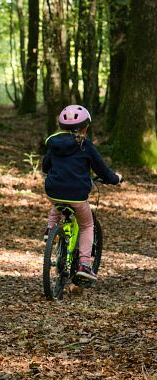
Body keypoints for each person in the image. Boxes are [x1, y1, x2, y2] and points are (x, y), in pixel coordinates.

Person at [42, 105, 122, 282]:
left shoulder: (53, 144)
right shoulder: (85, 145)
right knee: (87, 225)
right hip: (77, 195)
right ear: (86, 127)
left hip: (54, 190)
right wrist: (115, 179)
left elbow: (45, 166)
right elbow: (102, 170)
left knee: (57, 202)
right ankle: (85, 265)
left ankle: (50, 229)